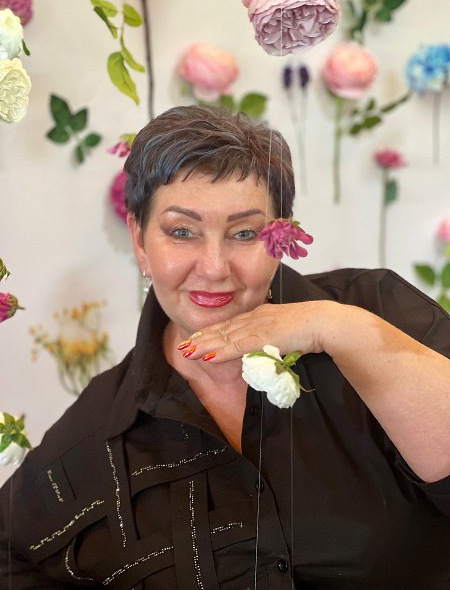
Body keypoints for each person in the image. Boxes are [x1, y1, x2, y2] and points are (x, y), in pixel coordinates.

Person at [0, 105, 449, 590]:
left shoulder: (373, 307)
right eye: (182, 232)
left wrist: (335, 327)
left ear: (280, 237)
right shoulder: (100, 430)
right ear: (140, 240)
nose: (214, 267)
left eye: (244, 233)